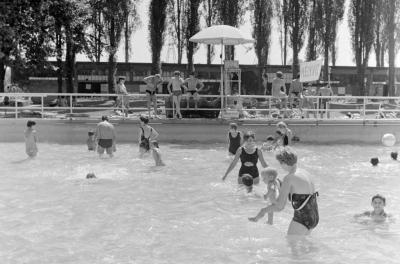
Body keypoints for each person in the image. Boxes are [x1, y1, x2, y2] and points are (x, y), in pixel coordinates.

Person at [249, 148, 319, 235]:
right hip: (314, 216)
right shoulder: (305, 173)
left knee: (291, 245)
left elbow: (280, 206)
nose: (280, 166)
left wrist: (263, 209)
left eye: (280, 163)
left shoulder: (289, 178)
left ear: (283, 162)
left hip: (302, 219)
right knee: (305, 245)